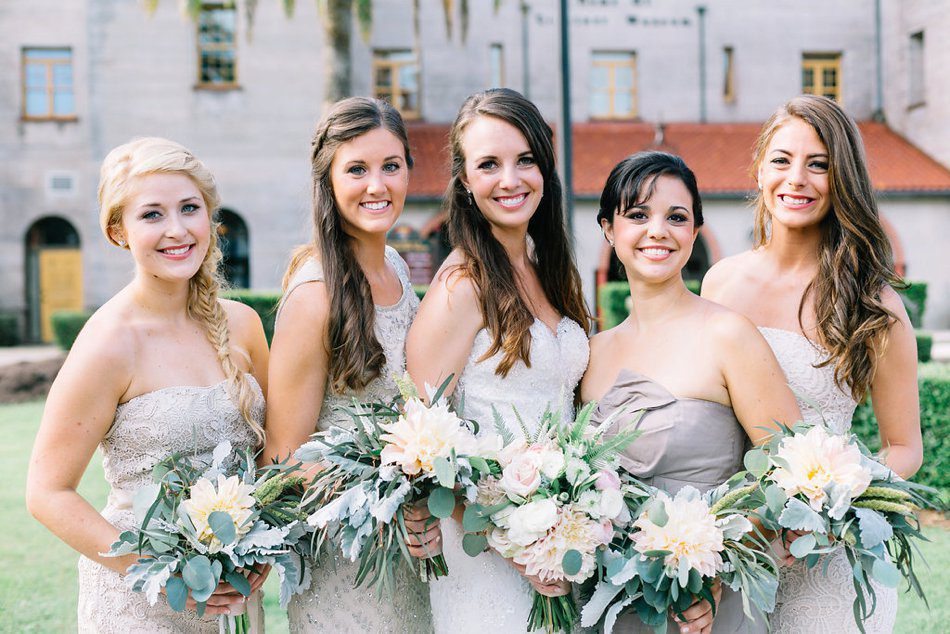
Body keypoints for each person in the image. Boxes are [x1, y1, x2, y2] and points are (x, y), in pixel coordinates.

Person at [26, 137, 269, 632]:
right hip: (139, 604)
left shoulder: (243, 326)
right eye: (152, 215)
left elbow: (271, 454)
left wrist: (263, 542)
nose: (177, 230)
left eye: (189, 208)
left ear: (209, 217)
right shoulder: (108, 344)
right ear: (118, 231)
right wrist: (161, 573)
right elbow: (47, 491)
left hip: (235, 597)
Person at [701, 94, 922, 633]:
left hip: (824, 566)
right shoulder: (719, 282)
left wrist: (829, 508)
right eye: (782, 160)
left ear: (841, 179)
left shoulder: (874, 305)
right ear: (759, 171)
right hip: (730, 550)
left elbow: (904, 447)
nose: (796, 178)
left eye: (818, 164)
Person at [581, 151, 801, 634]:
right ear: (608, 229)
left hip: (709, 605)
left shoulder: (729, 335)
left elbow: (789, 471)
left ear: (694, 233)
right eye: (637, 215)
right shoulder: (590, 354)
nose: (657, 230)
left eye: (676, 217)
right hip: (612, 605)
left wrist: (712, 569)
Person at [406, 88, 592, 633]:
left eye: (524, 160)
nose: (510, 179)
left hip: (562, 544)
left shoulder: (546, 267)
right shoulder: (462, 285)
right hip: (486, 555)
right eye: (489, 164)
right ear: (465, 181)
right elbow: (423, 447)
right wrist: (513, 544)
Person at [261, 97, 435, 634]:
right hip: (345, 565)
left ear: (409, 168)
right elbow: (281, 458)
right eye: (356, 169)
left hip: (410, 557)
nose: (377, 185)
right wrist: (388, 490)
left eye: (390, 166)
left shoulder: (398, 268)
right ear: (328, 180)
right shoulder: (315, 295)